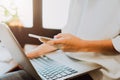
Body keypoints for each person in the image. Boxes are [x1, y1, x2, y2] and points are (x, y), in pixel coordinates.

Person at [27, 0, 120, 80]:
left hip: (101, 71)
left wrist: (82, 46)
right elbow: (68, 35)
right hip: (68, 61)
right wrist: (36, 52)